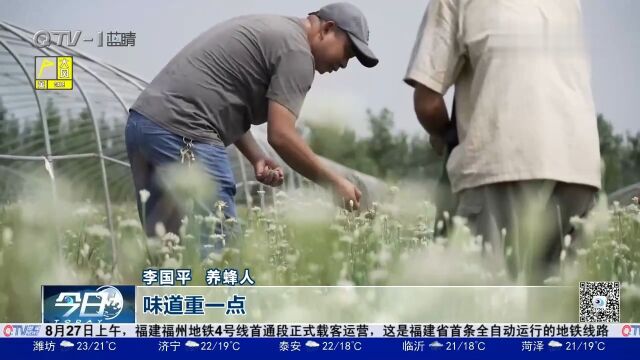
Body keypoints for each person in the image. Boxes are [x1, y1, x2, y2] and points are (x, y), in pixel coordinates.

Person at [125, 2, 378, 255]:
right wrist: (334, 183)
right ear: (327, 29)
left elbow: (220, 100)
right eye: (347, 52)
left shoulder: (276, 31)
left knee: (169, 248)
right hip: (184, 132)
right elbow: (282, 136)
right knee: (221, 249)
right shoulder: (298, 53)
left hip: (143, 125)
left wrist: (256, 156)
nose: (345, 64)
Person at [404, 0, 601, 283]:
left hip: (502, 161)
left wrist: (444, 136)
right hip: (582, 169)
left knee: (486, 302)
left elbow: (427, 101)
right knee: (584, 306)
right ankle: (611, 328)